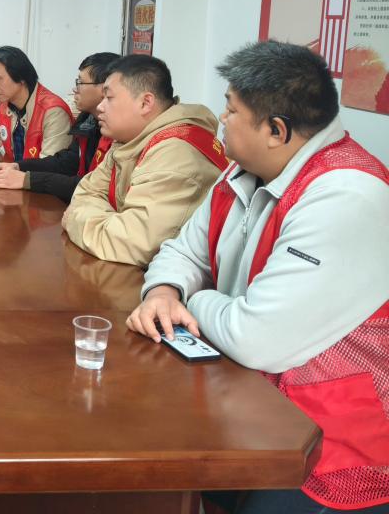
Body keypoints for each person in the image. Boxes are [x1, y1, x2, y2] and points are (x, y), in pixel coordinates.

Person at [127, 41, 389, 514]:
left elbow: (254, 338)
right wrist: (165, 290)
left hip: (328, 440)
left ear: (275, 130)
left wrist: (194, 299)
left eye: (231, 110)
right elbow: (182, 250)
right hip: (248, 398)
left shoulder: (346, 195)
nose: (221, 120)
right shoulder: (246, 170)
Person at [62, 54, 226, 267]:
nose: (100, 107)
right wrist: (104, 221)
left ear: (145, 103)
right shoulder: (129, 139)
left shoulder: (177, 155)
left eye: (109, 98)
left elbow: (129, 243)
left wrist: (75, 218)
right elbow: (85, 192)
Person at [0, 51, 118, 201]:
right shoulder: (88, 120)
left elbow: (92, 187)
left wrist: (26, 179)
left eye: (80, 82)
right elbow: (65, 162)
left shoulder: (120, 134)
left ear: (105, 88)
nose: (75, 89)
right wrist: (18, 166)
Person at [0, 46, 73, 163]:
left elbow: (49, 165)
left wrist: (14, 170)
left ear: (21, 77)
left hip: (36, 174)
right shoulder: (7, 103)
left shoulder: (53, 111)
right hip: (14, 172)